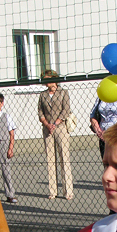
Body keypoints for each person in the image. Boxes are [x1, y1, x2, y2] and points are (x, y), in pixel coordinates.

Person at [37, 70, 73, 200]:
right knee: (50, 159)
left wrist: (55, 123)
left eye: (47, 78)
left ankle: (68, 191)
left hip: (61, 128)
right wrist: (47, 124)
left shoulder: (63, 92)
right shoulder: (43, 95)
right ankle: (53, 191)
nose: (46, 82)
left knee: (64, 158)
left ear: (54, 79)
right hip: (47, 129)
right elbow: (40, 112)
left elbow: (66, 110)